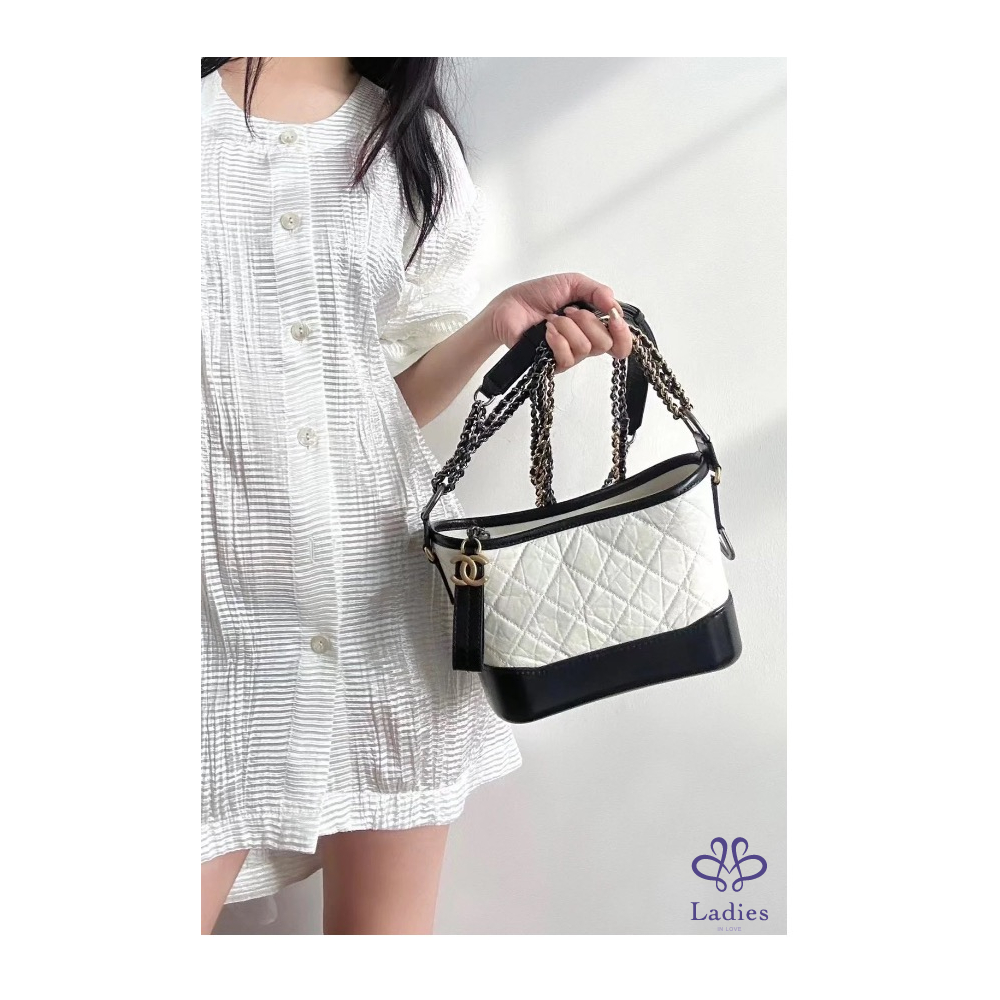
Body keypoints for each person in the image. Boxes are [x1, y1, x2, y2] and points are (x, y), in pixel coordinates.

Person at [201, 56, 634, 935]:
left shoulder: (412, 144)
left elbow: (377, 401)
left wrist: (495, 326)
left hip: (382, 613)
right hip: (207, 622)